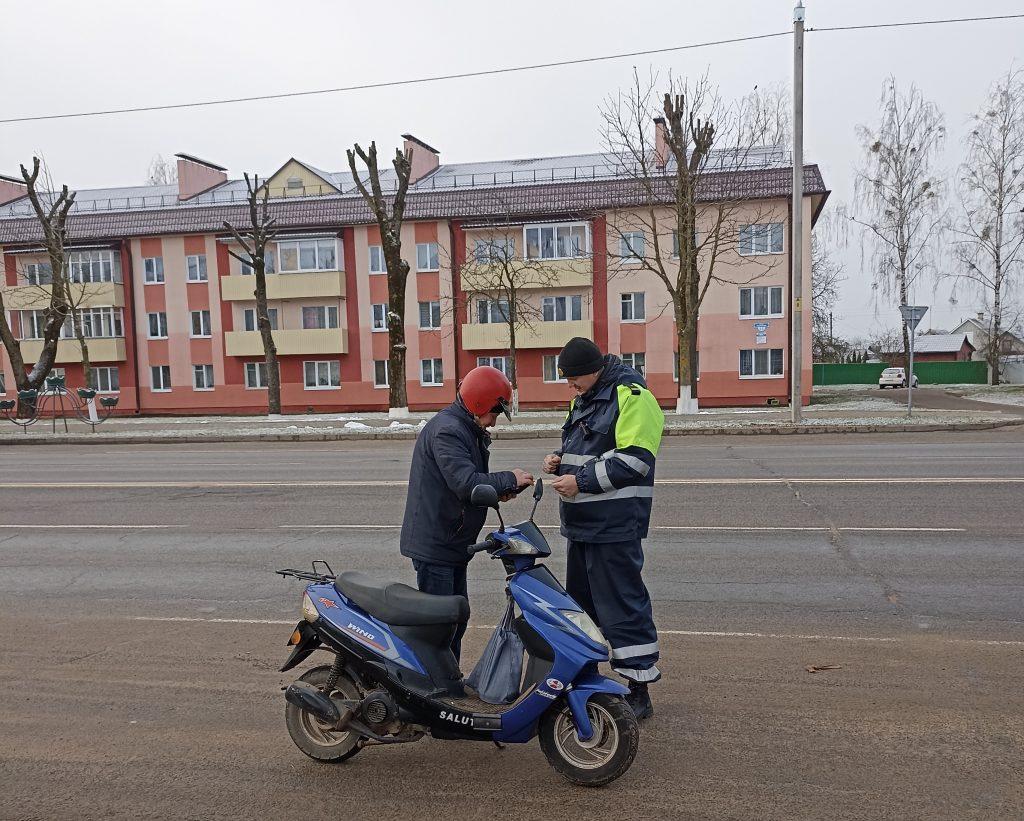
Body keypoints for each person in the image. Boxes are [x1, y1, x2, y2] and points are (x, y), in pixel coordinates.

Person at [542, 337, 664, 719]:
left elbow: (635, 460)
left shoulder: (632, 395)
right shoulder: (586, 395)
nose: (569, 388)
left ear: (593, 372)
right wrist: (559, 461)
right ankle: (587, 679)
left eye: (574, 380)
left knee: (622, 606)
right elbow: (589, 449)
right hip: (582, 526)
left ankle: (638, 688)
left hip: (614, 526)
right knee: (583, 609)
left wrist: (580, 481)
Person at [400, 365, 533, 662]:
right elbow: (465, 483)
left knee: (455, 620)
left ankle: (447, 680)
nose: (494, 421)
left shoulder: (466, 428)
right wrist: (508, 478)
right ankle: (434, 690)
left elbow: (467, 486)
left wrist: (498, 492)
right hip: (436, 545)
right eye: (494, 413)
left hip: (451, 541)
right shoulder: (449, 430)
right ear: (479, 403)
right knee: (441, 626)